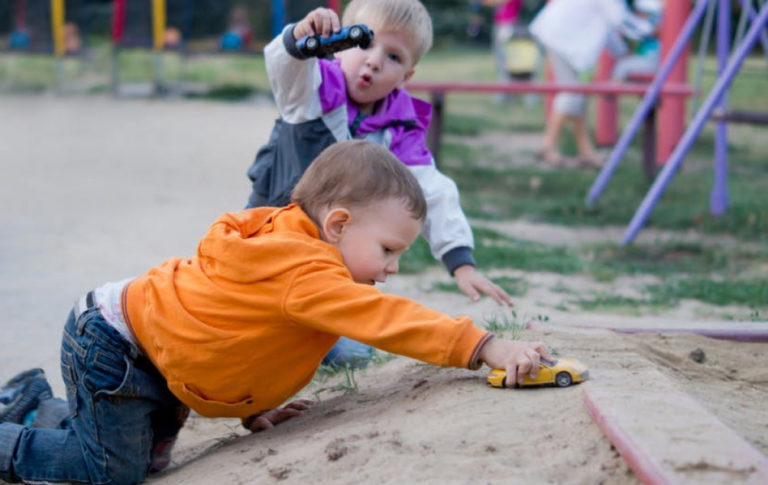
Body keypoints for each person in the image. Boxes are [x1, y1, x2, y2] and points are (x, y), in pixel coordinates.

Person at [0, 140, 551, 484]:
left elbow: (231, 327)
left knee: (150, 461)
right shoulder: (306, 272)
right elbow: (390, 321)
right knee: (111, 473)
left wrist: (251, 404)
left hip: (152, 351)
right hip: (114, 344)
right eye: (388, 250)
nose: (393, 268)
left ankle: (34, 404)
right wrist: (484, 346)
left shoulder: (291, 244)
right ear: (337, 225)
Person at [245, 0, 514, 368]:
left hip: (332, 253)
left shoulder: (399, 129)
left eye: (394, 57)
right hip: (272, 232)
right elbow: (283, 65)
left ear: (407, 76)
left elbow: (430, 190)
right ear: (340, 43)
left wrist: (460, 260)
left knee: (352, 352)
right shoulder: (311, 90)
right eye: (364, 43)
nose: (373, 61)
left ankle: (315, 335)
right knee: (249, 307)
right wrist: (300, 36)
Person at [529, 0, 631, 168]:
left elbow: (610, 29)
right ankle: (547, 145)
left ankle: (586, 151)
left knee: (578, 96)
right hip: (562, 38)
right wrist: (652, 30)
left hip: (560, 34)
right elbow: (620, 20)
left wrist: (621, 50)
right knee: (572, 94)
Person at [612, 0, 664, 82]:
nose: (637, 14)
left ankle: (608, 93)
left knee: (621, 66)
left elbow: (644, 31)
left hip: (655, 62)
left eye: (640, 11)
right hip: (649, 61)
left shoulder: (655, 26)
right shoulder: (649, 25)